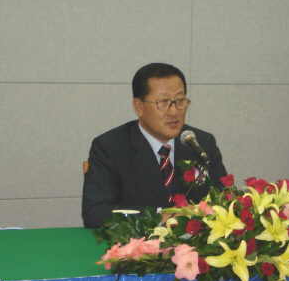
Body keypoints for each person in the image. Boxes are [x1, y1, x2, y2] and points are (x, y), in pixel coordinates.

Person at [82, 63, 227, 228]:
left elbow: (223, 200)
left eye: (180, 101)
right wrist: (160, 217)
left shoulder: (201, 142)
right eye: (163, 102)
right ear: (139, 107)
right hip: (137, 241)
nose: (174, 112)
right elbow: (95, 213)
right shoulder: (110, 147)